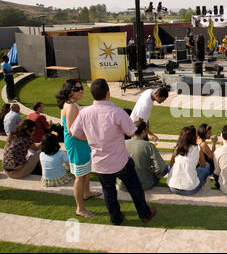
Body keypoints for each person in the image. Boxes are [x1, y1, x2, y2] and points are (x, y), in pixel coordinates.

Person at [71, 79, 156, 225]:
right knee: (135, 187)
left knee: (109, 191)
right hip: (120, 160)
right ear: (108, 93)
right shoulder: (117, 112)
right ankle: (144, 213)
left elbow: (74, 132)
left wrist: (90, 139)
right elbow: (131, 132)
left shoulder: (85, 112)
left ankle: (116, 218)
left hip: (100, 162)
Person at [56, 79, 100, 218]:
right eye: (77, 89)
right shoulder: (71, 106)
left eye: (81, 88)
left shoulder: (71, 104)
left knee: (86, 170)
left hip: (79, 143)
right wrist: (89, 139)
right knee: (80, 176)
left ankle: (87, 193)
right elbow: (71, 131)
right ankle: (80, 208)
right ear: (69, 91)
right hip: (76, 143)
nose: (80, 90)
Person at [117, 121, 169, 192]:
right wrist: (154, 172)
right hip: (144, 184)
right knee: (166, 168)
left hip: (123, 184)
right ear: (144, 132)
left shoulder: (122, 143)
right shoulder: (148, 146)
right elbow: (161, 168)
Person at [167, 126, 209, 195]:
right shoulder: (198, 149)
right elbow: (203, 165)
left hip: (173, 188)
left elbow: (171, 166)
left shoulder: (177, 148)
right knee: (206, 167)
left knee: (170, 168)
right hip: (190, 189)